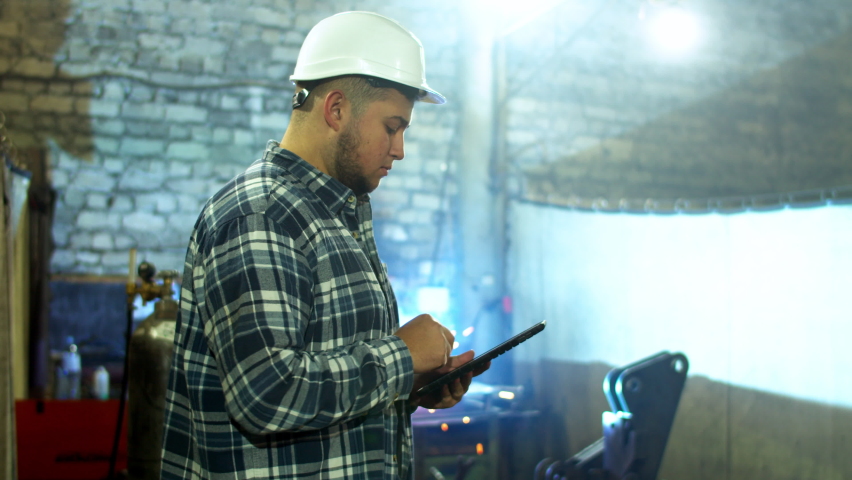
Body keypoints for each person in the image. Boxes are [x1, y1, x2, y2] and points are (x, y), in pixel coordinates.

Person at [161, 11, 489, 480]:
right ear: (336, 109)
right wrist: (400, 355)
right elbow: (267, 394)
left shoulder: (334, 216)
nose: (399, 149)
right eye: (392, 127)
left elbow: (329, 378)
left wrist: (412, 383)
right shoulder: (262, 215)